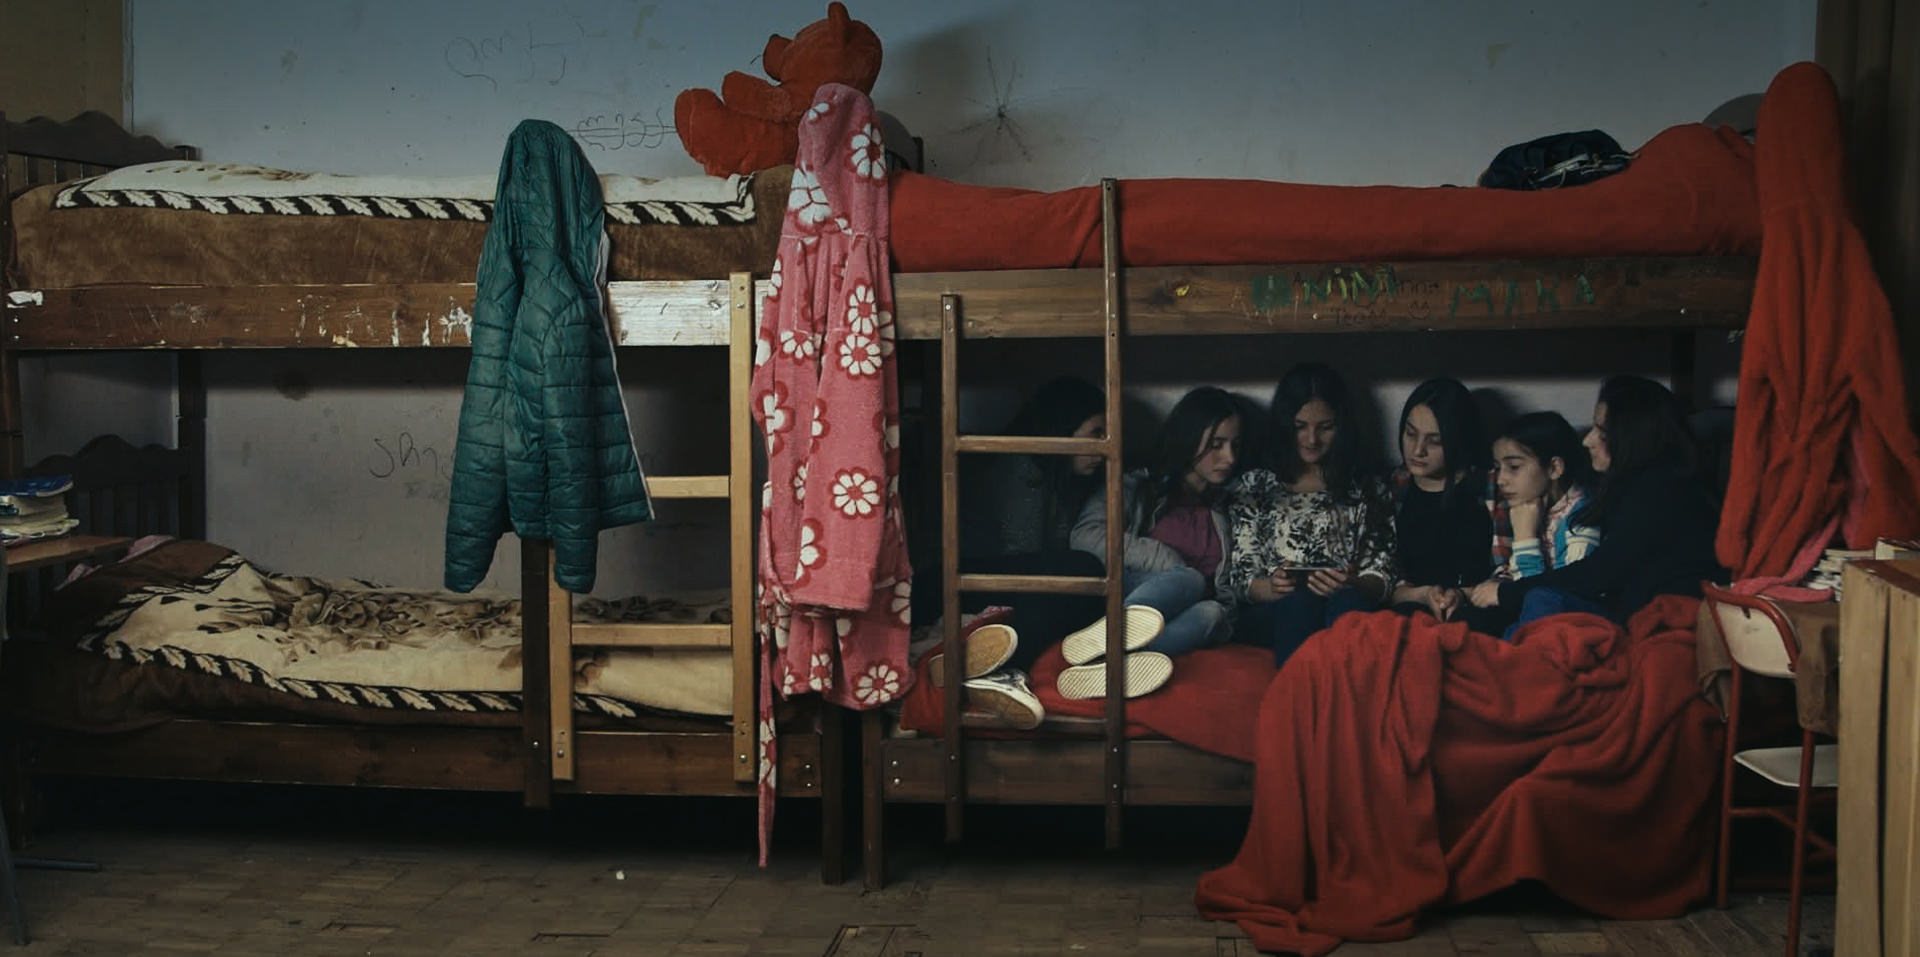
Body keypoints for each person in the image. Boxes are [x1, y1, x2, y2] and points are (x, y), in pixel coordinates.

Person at [1468, 376, 1724, 625]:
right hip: (1623, 607)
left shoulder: (1661, 490)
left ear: (1631, 437)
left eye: (1601, 433)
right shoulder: (1626, 487)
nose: (1587, 440)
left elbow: (1599, 573)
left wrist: (1506, 592)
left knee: (1542, 601)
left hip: (1661, 613)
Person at [1066, 387, 1243, 698]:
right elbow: (1085, 537)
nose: (1229, 458)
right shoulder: (1137, 484)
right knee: (1190, 579)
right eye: (1216, 445)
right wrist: (1169, 561)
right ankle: (1111, 636)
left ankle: (1109, 664)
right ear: (1189, 439)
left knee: (1214, 613)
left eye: (1234, 445)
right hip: (1139, 592)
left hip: (1189, 612)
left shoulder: (1232, 502)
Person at [1225, 363, 1394, 667]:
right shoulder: (1257, 485)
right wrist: (1272, 587)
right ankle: (1299, 691)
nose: (1312, 439)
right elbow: (1241, 576)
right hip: (1277, 610)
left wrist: (1353, 583)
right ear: (1284, 425)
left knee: (1349, 603)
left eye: (1325, 427)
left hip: (1343, 603)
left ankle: (1346, 690)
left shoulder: (1367, 487)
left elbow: (1383, 572)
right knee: (1300, 603)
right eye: (1300, 427)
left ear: (1341, 426)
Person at [1386, 378, 1497, 630]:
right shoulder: (1394, 487)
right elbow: (1384, 579)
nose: (1418, 450)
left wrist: (1462, 595)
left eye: (1435, 441)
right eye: (1410, 434)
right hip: (1412, 606)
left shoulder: (1489, 486)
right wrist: (1423, 595)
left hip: (1475, 608)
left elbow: (1508, 572)